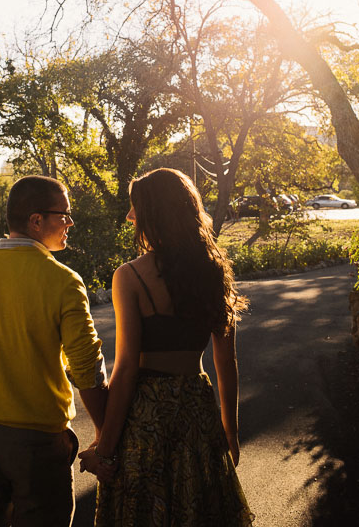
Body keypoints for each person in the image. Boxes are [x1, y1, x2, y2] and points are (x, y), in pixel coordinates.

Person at [79, 167, 254, 526]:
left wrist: (106, 449)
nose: (129, 216)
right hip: (197, 410)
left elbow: (126, 369)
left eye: (135, 207)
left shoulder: (130, 276)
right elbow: (226, 362)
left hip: (148, 417)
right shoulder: (214, 270)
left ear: (154, 212)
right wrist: (230, 433)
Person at [0, 175, 108, 527]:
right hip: (37, 441)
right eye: (63, 214)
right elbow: (86, 366)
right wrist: (104, 430)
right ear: (36, 220)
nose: (70, 222)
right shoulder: (63, 280)